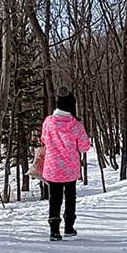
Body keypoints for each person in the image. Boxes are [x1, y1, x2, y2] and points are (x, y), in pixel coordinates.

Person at [40, 86, 91, 241]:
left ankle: (54, 230)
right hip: (70, 169)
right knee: (70, 196)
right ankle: (69, 227)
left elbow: (43, 139)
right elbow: (84, 146)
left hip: (53, 167)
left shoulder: (49, 122)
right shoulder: (76, 125)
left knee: (54, 198)